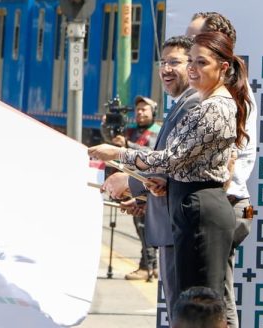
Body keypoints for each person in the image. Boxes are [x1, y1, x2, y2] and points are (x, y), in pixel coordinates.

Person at [90, 31, 253, 299]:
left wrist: (119, 154)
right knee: (196, 302)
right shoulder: (207, 102)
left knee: (200, 304)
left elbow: (172, 157)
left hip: (201, 209)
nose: (192, 69)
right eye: (191, 61)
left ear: (223, 67)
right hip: (193, 205)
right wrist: (164, 181)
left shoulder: (210, 106)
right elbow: (186, 161)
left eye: (200, 62)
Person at [102, 35, 200, 319]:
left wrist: (128, 175)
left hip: (181, 223)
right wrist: (142, 197)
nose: (166, 69)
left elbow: (174, 162)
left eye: (175, 62)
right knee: (178, 310)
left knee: (185, 312)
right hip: (169, 221)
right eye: (163, 62)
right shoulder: (180, 105)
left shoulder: (193, 105)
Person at [187, 12, 257, 328]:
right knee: (216, 295)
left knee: (215, 299)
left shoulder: (223, 99)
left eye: (196, 41)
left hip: (228, 202)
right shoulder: (217, 92)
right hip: (229, 202)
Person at [107, 95, 160, 281]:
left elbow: (152, 155)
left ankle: (147, 266)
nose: (140, 112)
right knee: (141, 228)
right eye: (137, 109)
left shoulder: (157, 131)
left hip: (149, 186)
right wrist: (109, 126)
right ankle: (149, 265)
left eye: (144, 109)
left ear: (153, 112)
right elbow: (111, 143)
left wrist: (128, 146)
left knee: (147, 228)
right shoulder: (130, 131)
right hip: (132, 187)